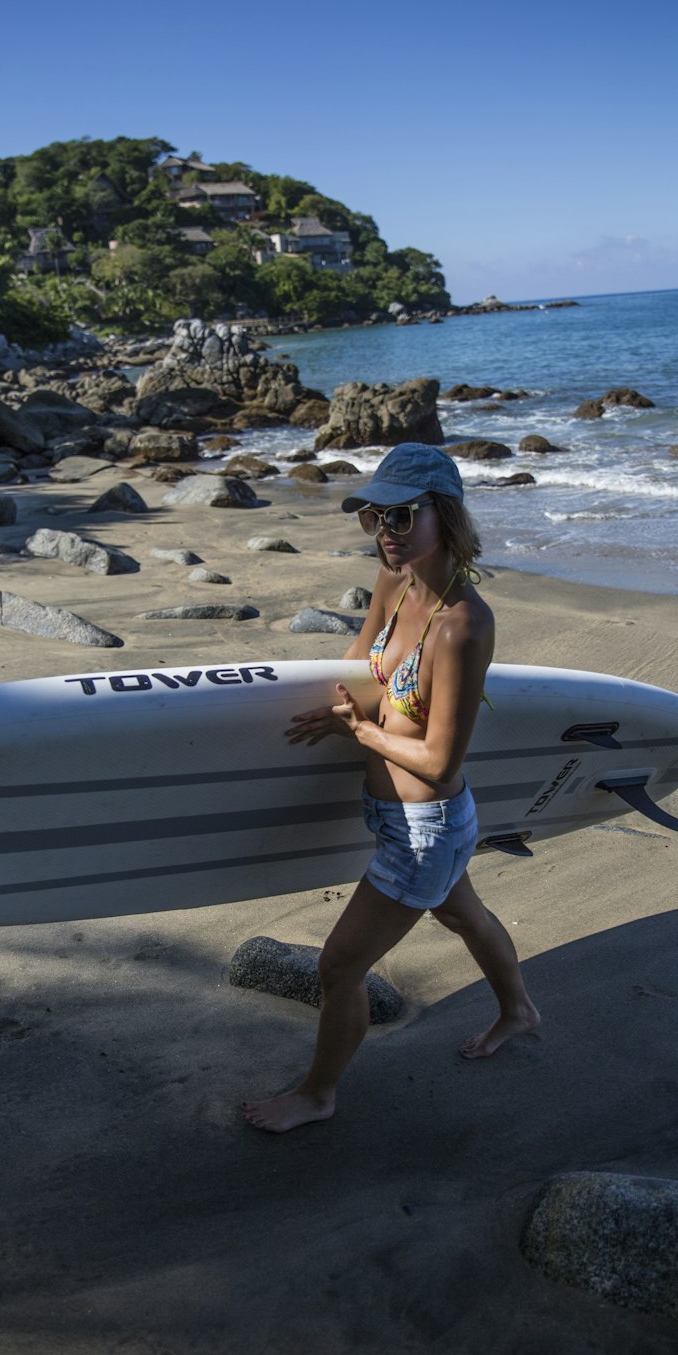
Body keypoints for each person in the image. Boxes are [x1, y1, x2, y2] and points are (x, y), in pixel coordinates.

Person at [242, 443, 540, 1134]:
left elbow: (438, 759)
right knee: (464, 914)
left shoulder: (466, 625)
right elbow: (356, 670)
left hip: (425, 827)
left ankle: (318, 1094)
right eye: (375, 516)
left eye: (402, 516)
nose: (386, 532)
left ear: (447, 515)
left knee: (340, 966)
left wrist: (358, 733)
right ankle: (519, 1011)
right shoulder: (394, 583)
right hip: (389, 812)